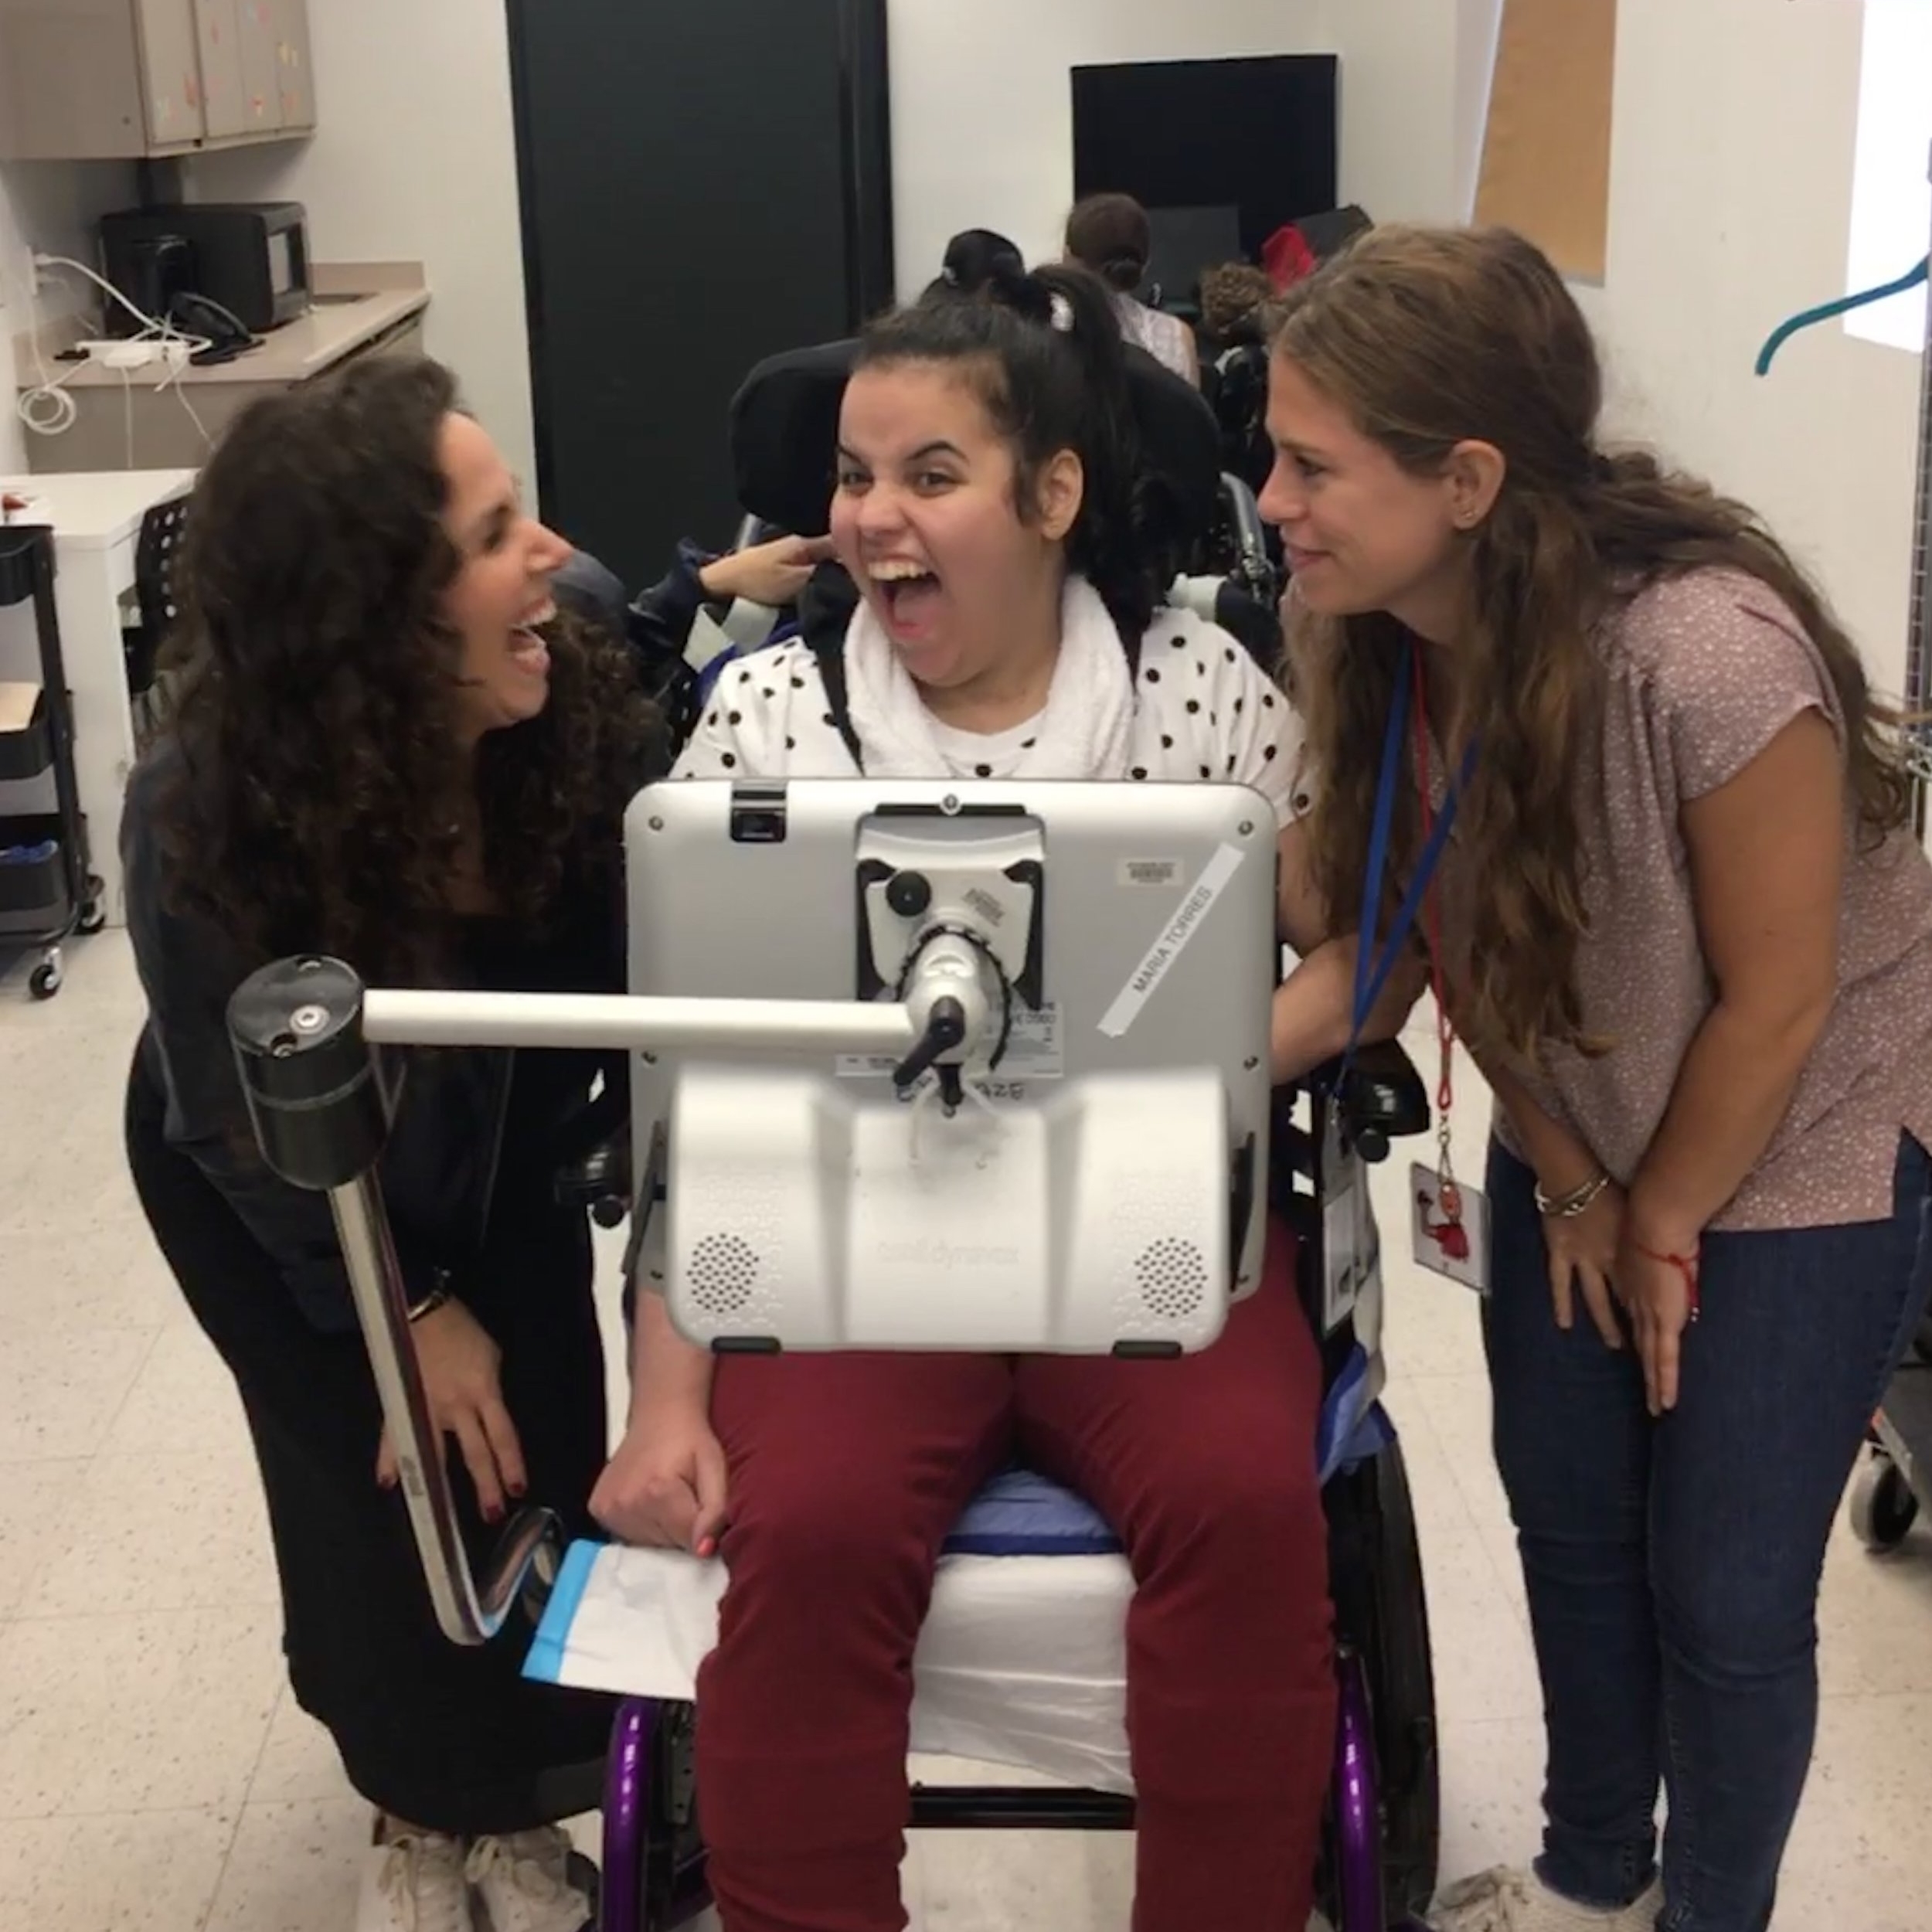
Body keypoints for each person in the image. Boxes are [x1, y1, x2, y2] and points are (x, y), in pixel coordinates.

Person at [588, 263, 1409, 1932]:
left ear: (1050, 497)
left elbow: (1360, 953)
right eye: (849, 476)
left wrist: (1216, 1050)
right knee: (806, 1530)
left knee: (1250, 1512)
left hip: (1153, 1222)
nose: (871, 517)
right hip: (853, 1241)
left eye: (928, 476)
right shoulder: (763, 719)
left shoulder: (1194, 695)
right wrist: (664, 1400)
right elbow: (688, 1073)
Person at [1258, 223, 1932, 1932]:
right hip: (1582, 1133)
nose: (1270, 501)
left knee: (1719, 1584)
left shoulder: (1701, 654)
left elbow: (1778, 999)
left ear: (1466, 477)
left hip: (1794, 1138)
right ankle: (1586, 1877)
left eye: (1309, 463)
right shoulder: (1378, 635)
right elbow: (1425, 942)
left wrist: (1661, 1217)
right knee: (1567, 1525)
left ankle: (1707, 1911)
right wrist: (1564, 1171)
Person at [121, 354, 666, 1932]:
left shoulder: (572, 704)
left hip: (492, 1150)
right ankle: (410, 1809)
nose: (553, 551)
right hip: (281, 1184)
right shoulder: (206, 814)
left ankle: (516, 1802)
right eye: (498, 531)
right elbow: (233, 1119)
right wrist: (406, 1314)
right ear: (378, 618)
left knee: (537, 1451)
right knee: (379, 1487)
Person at [1064, 192, 1202, 386]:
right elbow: (1191, 414)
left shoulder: (1046, 330)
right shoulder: (1176, 335)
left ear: (1068, 258)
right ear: (1145, 264)